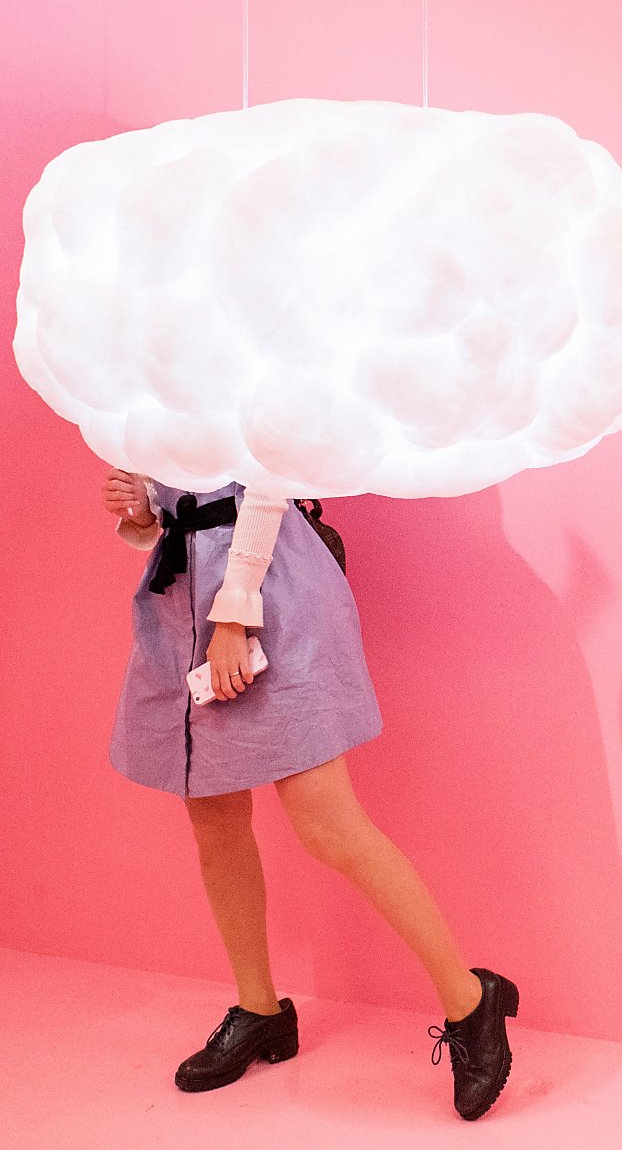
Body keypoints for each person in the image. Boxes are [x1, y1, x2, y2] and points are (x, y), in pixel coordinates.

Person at [101, 469, 518, 1120]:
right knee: (213, 817)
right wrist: (138, 516)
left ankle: (470, 1000)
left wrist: (236, 612)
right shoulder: (132, 383)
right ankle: (260, 1009)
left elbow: (269, 479)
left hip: (264, 591)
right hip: (181, 600)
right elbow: (162, 509)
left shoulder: (249, 364)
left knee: (328, 825)